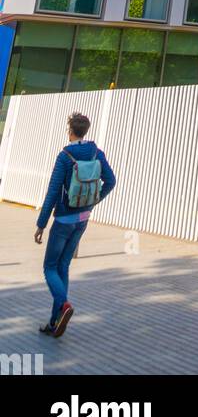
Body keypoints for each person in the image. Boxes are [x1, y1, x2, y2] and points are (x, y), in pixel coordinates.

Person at [34, 112, 116, 338]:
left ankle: (64, 305)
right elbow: (111, 180)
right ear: (85, 130)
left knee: (50, 267)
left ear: (70, 130)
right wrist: (96, 199)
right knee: (63, 267)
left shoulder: (65, 156)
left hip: (63, 220)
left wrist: (41, 223)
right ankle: (54, 322)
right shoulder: (96, 153)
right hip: (83, 219)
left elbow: (52, 192)